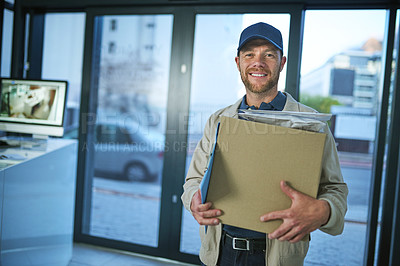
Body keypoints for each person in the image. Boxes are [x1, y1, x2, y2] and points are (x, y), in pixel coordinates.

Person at [181, 22, 348, 266]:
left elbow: (336, 189)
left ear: (282, 63)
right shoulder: (218, 120)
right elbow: (193, 181)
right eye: (249, 54)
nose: (258, 62)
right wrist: (193, 201)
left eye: (268, 55)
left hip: (276, 258)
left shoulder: (312, 124)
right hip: (220, 253)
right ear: (238, 63)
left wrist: (324, 211)